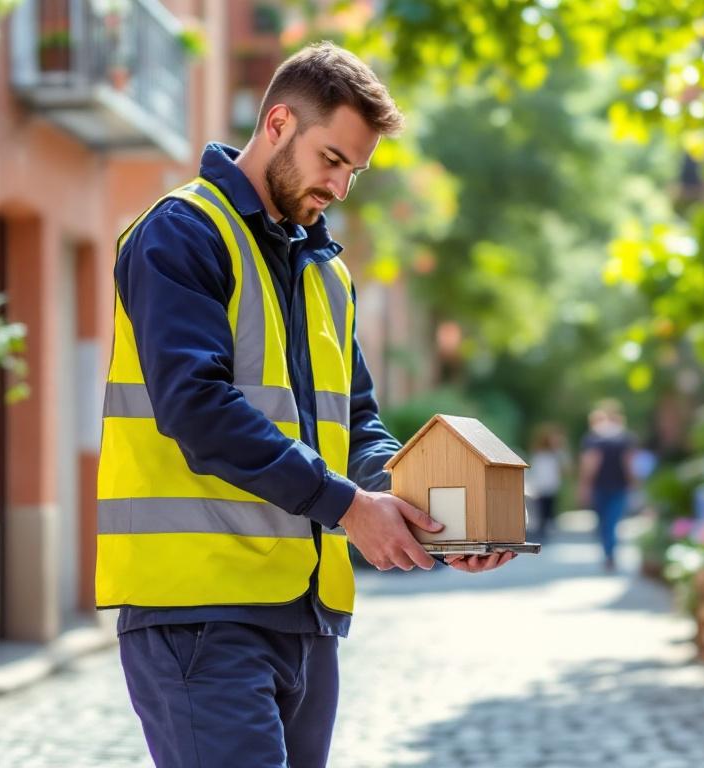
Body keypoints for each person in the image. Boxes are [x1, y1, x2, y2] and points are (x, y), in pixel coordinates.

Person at [95, 43, 514, 768]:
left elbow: (357, 426)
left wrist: (437, 520)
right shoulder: (182, 233)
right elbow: (197, 408)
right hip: (198, 613)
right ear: (279, 122)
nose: (341, 186)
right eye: (332, 159)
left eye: (354, 170)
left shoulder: (329, 274)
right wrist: (349, 508)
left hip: (308, 620)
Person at [577, 400, 637, 571]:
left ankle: (608, 553)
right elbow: (629, 463)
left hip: (599, 486)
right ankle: (610, 553)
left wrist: (584, 486)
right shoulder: (625, 437)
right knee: (613, 521)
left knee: (604, 522)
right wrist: (633, 482)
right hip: (620, 485)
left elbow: (591, 463)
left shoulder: (594, 438)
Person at [526, 423, 569, 541]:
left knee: (549, 509)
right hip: (540, 486)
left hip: (551, 486)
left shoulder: (557, 454)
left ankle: (545, 531)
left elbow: (565, 469)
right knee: (540, 509)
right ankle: (540, 532)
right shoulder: (539, 453)